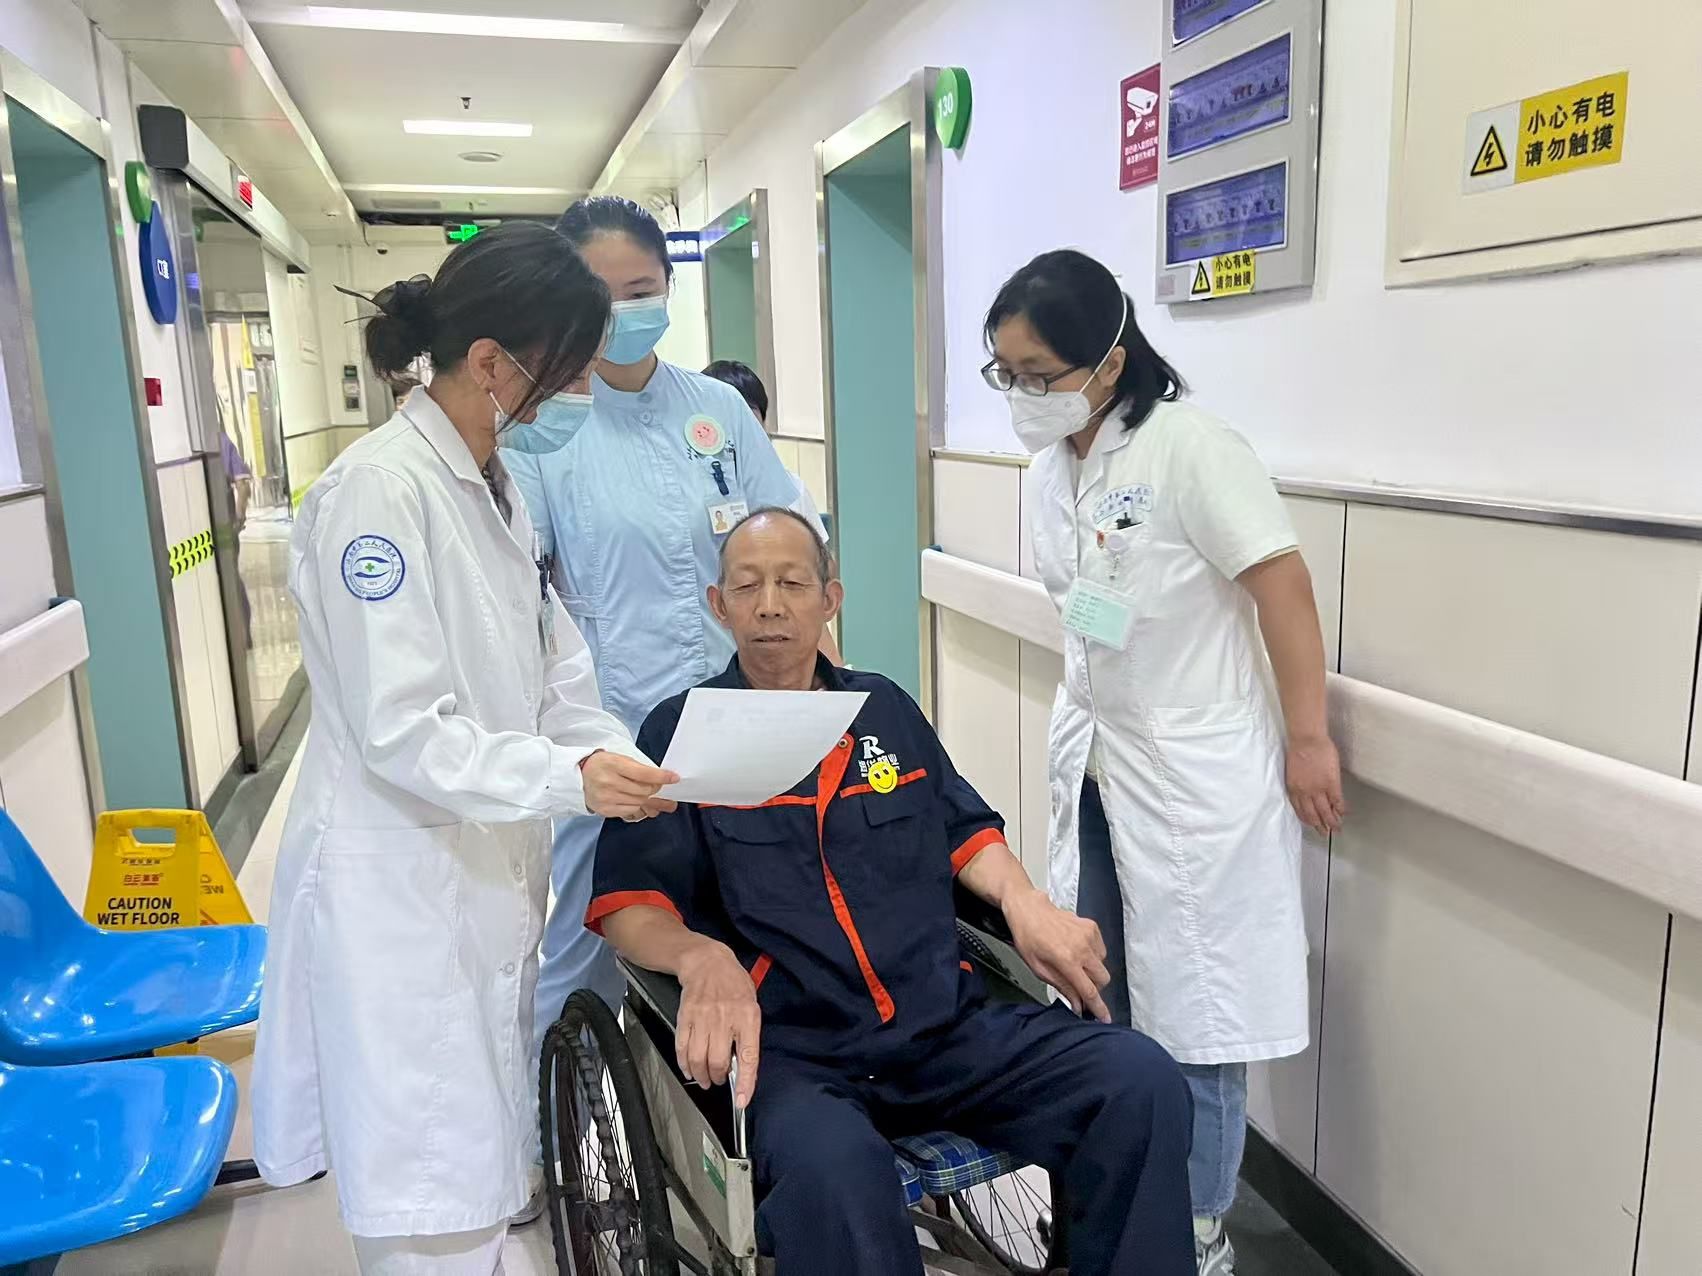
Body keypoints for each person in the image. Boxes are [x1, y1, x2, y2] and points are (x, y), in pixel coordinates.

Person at [587, 508, 1196, 1276]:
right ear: (719, 605)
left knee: (1139, 1083)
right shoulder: (680, 736)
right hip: (795, 1055)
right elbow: (630, 901)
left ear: (830, 599)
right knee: (837, 1176)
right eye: (747, 586)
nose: (770, 605)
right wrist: (699, 956)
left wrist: (1025, 901)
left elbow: (963, 831)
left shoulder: (883, 713)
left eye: (791, 583)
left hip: (945, 1028)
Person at [251, 222, 677, 1275]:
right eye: (564, 374)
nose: (580, 394)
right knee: (424, 1206)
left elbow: (553, 669)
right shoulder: (378, 495)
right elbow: (403, 729)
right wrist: (566, 778)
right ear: (490, 364)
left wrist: (608, 754)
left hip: (476, 879)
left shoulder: (495, 486)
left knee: (471, 1181)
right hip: (401, 897)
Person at [985, 249, 1343, 1275]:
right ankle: (1112, 1197)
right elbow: (1084, 609)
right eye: (1005, 372)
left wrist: (1308, 738)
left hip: (1196, 774)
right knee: (1097, 990)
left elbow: (1282, 586)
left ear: (1108, 360)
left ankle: (1194, 1227)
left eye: (1038, 373)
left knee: (1198, 1014)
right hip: (1100, 765)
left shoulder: (1191, 448)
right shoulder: (1049, 473)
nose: (1021, 394)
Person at [503, 197, 838, 1055]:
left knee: (744, 913)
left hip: (737, 717)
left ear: (668, 288)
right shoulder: (547, 423)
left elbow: (792, 545)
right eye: (603, 294)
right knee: (590, 935)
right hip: (609, 728)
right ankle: (556, 1108)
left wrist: (826, 689)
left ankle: (724, 1095)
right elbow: (520, 590)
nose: (625, 311)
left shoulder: (717, 410)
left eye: (642, 290)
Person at [701, 358, 824, 528]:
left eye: (746, 413)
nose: (736, 426)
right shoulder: (689, 493)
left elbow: (815, 544)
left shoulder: (791, 487)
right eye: (722, 415)